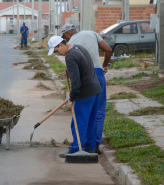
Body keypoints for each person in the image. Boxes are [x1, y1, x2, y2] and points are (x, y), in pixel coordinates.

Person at [61, 24, 112, 154]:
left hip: (85, 77)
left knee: (81, 113)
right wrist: (104, 65)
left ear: (67, 34)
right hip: (98, 75)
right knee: (98, 112)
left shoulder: (70, 44)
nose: (65, 40)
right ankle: (93, 145)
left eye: (64, 37)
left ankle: (78, 146)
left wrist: (72, 96)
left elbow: (76, 74)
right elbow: (108, 50)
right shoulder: (91, 33)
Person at [47, 36, 102, 157]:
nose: (57, 54)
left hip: (85, 93)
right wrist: (71, 71)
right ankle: (90, 147)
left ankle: (76, 149)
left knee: (78, 122)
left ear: (61, 45)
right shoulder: (79, 48)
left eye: (56, 51)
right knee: (91, 121)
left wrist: (72, 98)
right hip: (96, 89)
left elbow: (76, 83)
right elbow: (85, 66)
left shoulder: (70, 57)